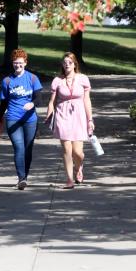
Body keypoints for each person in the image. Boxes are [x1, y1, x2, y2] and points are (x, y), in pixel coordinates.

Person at [45, 52, 94, 188]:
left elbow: (87, 100)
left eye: (70, 62)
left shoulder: (83, 79)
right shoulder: (57, 80)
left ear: (74, 64)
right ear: (62, 65)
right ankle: (69, 180)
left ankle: (79, 167)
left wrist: (90, 119)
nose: (67, 65)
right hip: (62, 115)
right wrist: (49, 115)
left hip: (79, 116)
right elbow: (52, 102)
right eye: (65, 62)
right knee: (67, 149)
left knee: (77, 152)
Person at [0, 49, 43, 190]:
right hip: (13, 118)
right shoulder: (7, 81)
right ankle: (21, 178)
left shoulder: (33, 78)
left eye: (20, 63)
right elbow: (3, 103)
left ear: (25, 63)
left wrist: (32, 104)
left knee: (28, 149)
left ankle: (25, 177)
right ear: (12, 63)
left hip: (30, 119)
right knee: (19, 148)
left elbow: (39, 98)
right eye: (15, 63)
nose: (18, 65)